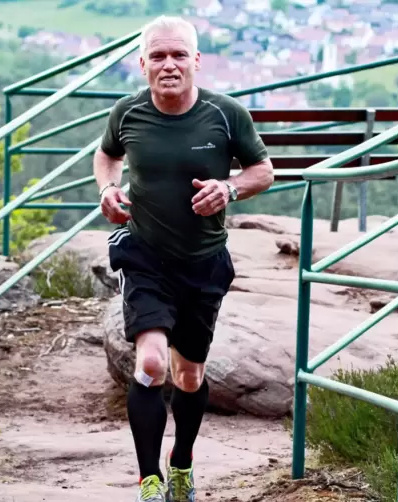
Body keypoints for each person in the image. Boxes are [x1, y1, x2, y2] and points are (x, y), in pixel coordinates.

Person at [92, 15, 275, 502]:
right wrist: (108, 189)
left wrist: (229, 188)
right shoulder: (127, 113)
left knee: (189, 375)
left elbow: (263, 170)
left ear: (196, 60)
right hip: (146, 257)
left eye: (178, 55)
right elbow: (105, 155)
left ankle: (182, 464)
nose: (168, 65)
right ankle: (148, 480)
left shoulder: (225, 113)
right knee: (151, 364)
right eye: (157, 56)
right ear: (142, 63)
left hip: (204, 262)